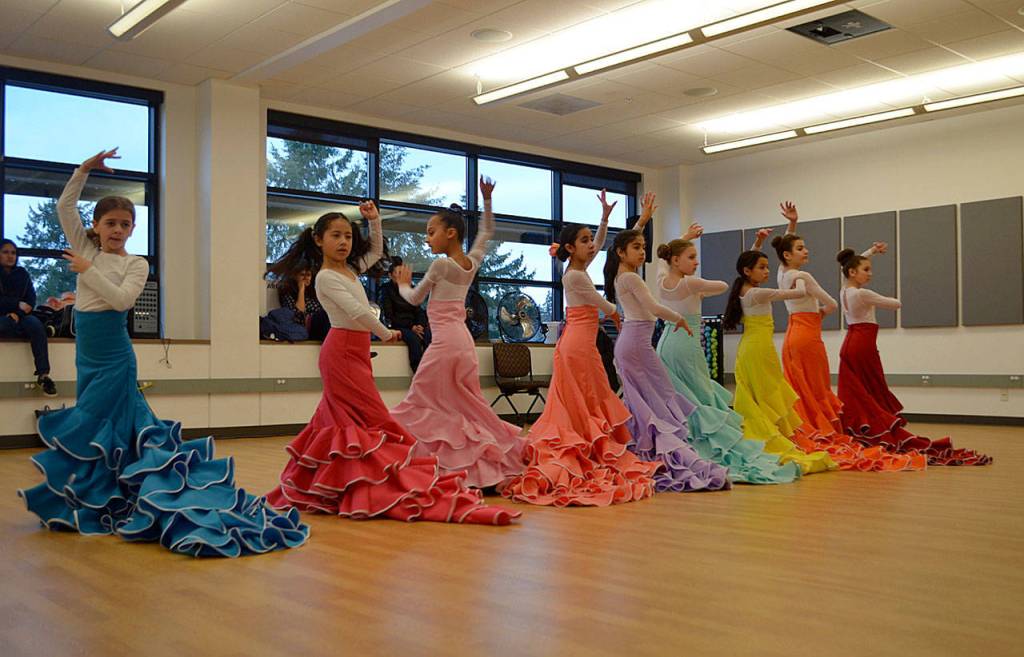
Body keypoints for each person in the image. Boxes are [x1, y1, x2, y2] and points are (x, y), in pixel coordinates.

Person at [17, 148, 309, 556]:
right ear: (96, 226)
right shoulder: (86, 246)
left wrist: (88, 271)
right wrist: (83, 169)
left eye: (125, 224)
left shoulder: (135, 265)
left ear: (133, 229)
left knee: (102, 420)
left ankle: (140, 491)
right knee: (102, 426)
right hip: (89, 352)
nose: (117, 230)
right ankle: (103, 494)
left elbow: (120, 301)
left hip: (116, 352)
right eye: (110, 224)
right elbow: (65, 206)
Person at [265, 200, 518, 524]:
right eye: (335, 236)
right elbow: (356, 312)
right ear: (319, 240)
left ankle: (328, 483)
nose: (344, 242)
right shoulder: (326, 277)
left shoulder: (349, 271)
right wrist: (385, 332)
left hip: (360, 351)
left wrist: (375, 221)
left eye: (347, 236)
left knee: (342, 423)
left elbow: (374, 255)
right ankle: (381, 477)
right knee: (372, 420)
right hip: (342, 351)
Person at [503, 191, 660, 507]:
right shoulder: (575, 276)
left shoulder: (580, 267)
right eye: (585, 240)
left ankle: (588, 446)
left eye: (591, 240)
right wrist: (620, 311)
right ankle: (582, 450)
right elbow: (602, 304)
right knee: (584, 398)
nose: (592, 244)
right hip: (576, 345)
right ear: (571, 248)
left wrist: (604, 218)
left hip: (581, 342)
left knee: (590, 397)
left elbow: (603, 245)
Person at [388, 177, 528, 490]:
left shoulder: (441, 266)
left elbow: (413, 299)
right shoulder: (471, 262)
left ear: (450, 233)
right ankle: (480, 466)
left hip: (446, 345)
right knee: (465, 407)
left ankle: (425, 464)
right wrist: (487, 201)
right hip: (464, 345)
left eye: (431, 231)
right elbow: (487, 232)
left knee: (419, 404)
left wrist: (401, 282)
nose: (427, 239)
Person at [769, 202, 925, 471]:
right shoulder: (803, 275)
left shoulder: (782, 272)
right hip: (808, 334)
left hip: (792, 333)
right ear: (788, 253)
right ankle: (821, 429)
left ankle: (799, 427)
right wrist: (820, 312)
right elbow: (831, 302)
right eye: (801, 248)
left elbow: (844, 274)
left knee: (799, 386)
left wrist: (792, 224)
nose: (806, 250)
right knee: (816, 387)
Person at [653, 221, 799, 484]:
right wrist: (698, 284)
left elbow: (664, 261)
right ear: (676, 260)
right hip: (686, 343)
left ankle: (681, 441)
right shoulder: (689, 284)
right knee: (699, 394)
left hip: (666, 342)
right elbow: (720, 285)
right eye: (692, 257)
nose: (696, 261)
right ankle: (703, 443)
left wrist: (685, 238)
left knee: (678, 395)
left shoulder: (662, 278)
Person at [605, 211, 730, 493]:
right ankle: (657, 450)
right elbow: (653, 307)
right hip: (636, 344)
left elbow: (651, 267)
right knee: (660, 395)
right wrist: (679, 318)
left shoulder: (620, 274)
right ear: (621, 252)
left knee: (650, 399)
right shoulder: (631, 279)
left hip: (633, 343)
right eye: (636, 248)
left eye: (643, 247)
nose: (642, 252)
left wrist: (644, 224)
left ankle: (644, 448)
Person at [836, 247, 991, 466]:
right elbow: (896, 304)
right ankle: (876, 432)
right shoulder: (862, 293)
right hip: (862, 346)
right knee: (870, 391)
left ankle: (863, 431)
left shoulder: (844, 290)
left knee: (861, 393)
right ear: (852, 272)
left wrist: (870, 251)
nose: (870, 274)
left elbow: (851, 264)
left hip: (850, 345)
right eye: (866, 270)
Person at [722, 248, 837, 474]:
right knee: (765, 395)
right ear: (747, 271)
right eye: (762, 268)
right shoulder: (756, 293)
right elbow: (797, 294)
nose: (767, 271)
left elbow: (749, 261)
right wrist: (802, 277)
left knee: (762, 395)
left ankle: (772, 432)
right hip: (757, 350)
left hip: (754, 348)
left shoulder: (748, 289)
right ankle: (767, 437)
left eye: (767, 267)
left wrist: (760, 241)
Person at [0, 238, 56, 396]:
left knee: (36, 326)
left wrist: (17, 313)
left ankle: (43, 375)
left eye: (13, 253)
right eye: (5, 252)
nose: (10, 256)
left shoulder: (22, 274)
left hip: (22, 317)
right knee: (5, 324)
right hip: (4, 318)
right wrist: (16, 305)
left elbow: (30, 301)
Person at [380, 256, 431, 372]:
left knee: (429, 335)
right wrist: (411, 327)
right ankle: (418, 373)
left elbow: (419, 311)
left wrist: (420, 325)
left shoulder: (410, 288)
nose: (401, 275)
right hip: (399, 326)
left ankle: (430, 371)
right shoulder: (385, 290)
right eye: (398, 273)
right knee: (414, 339)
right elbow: (389, 315)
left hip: (414, 325)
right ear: (390, 275)